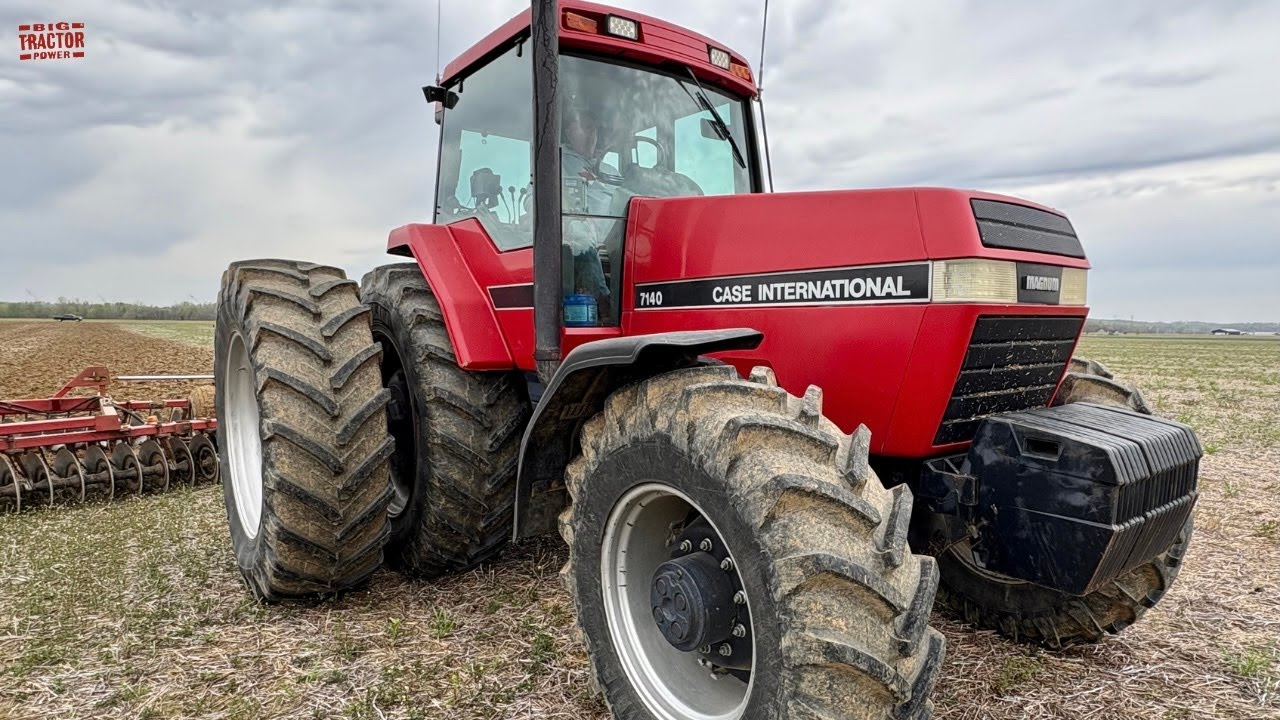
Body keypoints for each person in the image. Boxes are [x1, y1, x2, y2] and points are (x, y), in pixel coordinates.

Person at [561, 106, 617, 322]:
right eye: (584, 127)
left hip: (617, 234)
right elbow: (538, 195)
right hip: (582, 240)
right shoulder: (557, 161)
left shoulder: (609, 170)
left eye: (593, 129)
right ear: (568, 133)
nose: (591, 134)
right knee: (581, 234)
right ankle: (603, 302)